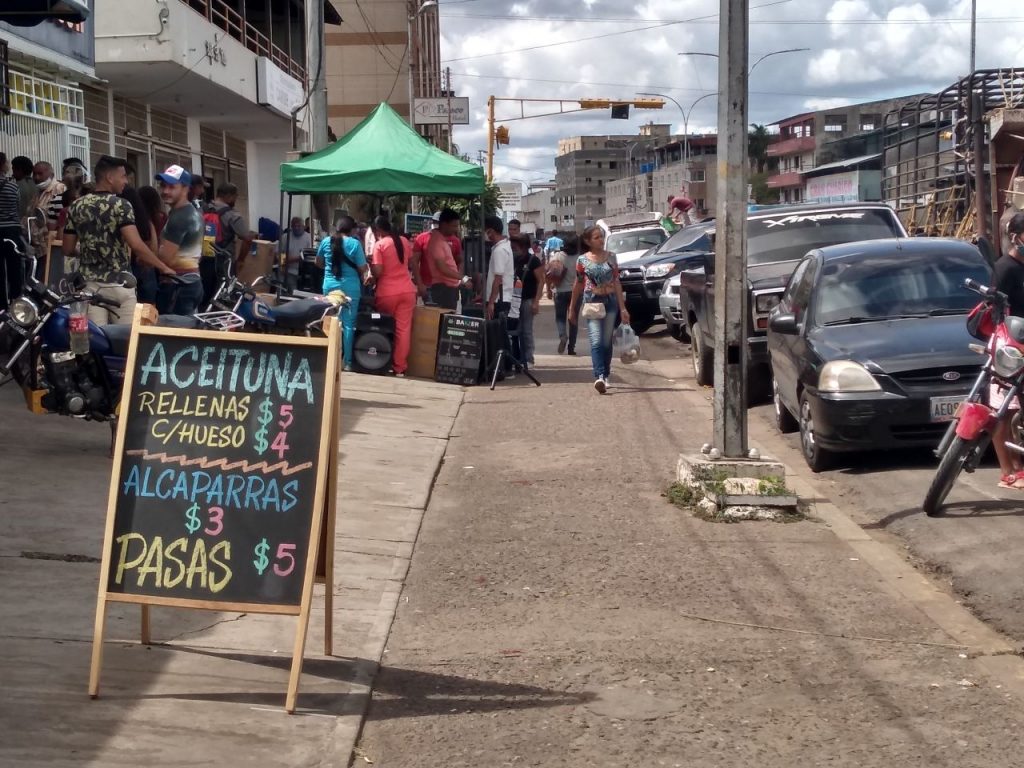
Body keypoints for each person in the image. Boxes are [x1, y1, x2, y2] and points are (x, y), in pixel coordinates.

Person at [62, 155, 175, 324]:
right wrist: (163, 267)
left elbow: (68, 249)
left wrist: (89, 251)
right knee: (126, 336)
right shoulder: (121, 205)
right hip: (119, 284)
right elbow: (136, 244)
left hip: (89, 286)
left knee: (98, 336)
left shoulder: (77, 206)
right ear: (109, 177)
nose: (126, 181)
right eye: (123, 176)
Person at [569, 225, 630, 394]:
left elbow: (616, 282)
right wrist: (572, 308)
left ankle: (606, 374)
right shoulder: (582, 260)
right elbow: (578, 283)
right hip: (592, 302)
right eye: (596, 237)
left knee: (606, 341)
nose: (601, 240)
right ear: (588, 241)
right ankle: (600, 376)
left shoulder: (611, 257)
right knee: (596, 340)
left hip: (610, 302)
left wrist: (623, 308)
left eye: (602, 236)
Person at [990, 212, 1024, 488]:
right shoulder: (1005, 268)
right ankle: (1009, 471)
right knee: (1006, 410)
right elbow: (997, 313)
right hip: (1010, 347)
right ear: (1016, 237)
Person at [369, 215, 416, 377]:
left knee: (382, 327)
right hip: (407, 291)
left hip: (387, 293)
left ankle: (381, 361)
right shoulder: (403, 241)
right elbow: (412, 263)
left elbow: (378, 272)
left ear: (378, 230)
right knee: (403, 330)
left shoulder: (380, 245)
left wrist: (371, 266)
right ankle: (399, 367)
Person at [155, 164, 204, 315]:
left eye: (171, 187)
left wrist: (146, 253)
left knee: (172, 328)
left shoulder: (180, 217)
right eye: (163, 186)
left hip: (178, 286)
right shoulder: (191, 212)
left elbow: (165, 258)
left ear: (185, 189)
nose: (165, 191)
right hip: (190, 282)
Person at [321, 216, 368, 371]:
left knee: (330, 321)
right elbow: (362, 268)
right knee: (348, 324)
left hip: (330, 286)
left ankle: (328, 358)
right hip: (350, 288)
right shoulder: (355, 244)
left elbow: (318, 262)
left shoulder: (326, 241)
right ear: (352, 230)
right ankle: (347, 362)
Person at [202, 182, 252, 303]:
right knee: (223, 295)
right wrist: (241, 260)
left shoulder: (202, 209)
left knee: (204, 294)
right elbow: (247, 238)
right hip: (224, 262)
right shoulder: (232, 215)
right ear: (229, 196)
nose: (235, 200)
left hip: (203, 259)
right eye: (235, 197)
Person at [120, 173, 158, 306]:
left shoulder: (121, 220)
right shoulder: (146, 221)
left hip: (125, 271)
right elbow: (154, 247)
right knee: (146, 310)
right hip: (146, 269)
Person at [425, 209, 469, 310]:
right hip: (443, 290)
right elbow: (442, 268)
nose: (456, 229)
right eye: (454, 226)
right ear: (444, 225)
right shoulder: (437, 242)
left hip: (448, 289)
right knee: (446, 318)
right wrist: (463, 278)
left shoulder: (441, 240)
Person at [512, 234, 544, 366]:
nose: (514, 249)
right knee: (517, 330)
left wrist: (536, 301)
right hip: (515, 300)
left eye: (516, 246)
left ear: (523, 246)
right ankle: (519, 358)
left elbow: (541, 281)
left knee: (526, 330)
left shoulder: (533, 260)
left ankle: (529, 358)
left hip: (528, 299)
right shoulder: (515, 260)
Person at [548, 233, 580, 355]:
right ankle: (571, 347)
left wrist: (549, 289)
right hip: (576, 292)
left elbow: (549, 272)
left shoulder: (557, 256)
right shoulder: (580, 258)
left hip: (560, 291)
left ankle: (562, 336)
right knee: (573, 319)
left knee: (560, 318)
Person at [0, 164, 24, 312]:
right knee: (15, 266)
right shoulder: (12, 186)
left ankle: (2, 305)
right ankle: (16, 301)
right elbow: (17, 207)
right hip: (11, 230)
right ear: (3, 165)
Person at [485, 215, 515, 320]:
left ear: (491, 231)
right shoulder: (504, 246)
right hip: (502, 298)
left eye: (486, 231)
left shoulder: (499, 250)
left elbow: (498, 278)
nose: (485, 235)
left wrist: (491, 303)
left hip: (498, 300)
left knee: (495, 328)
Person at [32, 161, 66, 232]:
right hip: (38, 236)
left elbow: (63, 220)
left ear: (52, 175)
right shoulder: (37, 192)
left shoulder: (59, 189)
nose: (36, 177)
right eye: (34, 174)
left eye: (40, 174)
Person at [281, 216, 312, 290]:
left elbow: (309, 257)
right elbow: (280, 257)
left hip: (303, 273)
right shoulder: (285, 237)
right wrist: (298, 258)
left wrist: (289, 259)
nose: (296, 228)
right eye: (294, 226)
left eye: (299, 226)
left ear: (304, 226)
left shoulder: (309, 238)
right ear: (291, 227)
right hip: (288, 272)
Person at [11, 156, 36, 221]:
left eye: (13, 170)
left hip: (19, 223)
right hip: (35, 223)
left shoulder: (14, 187)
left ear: (20, 170)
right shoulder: (39, 186)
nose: (12, 173)